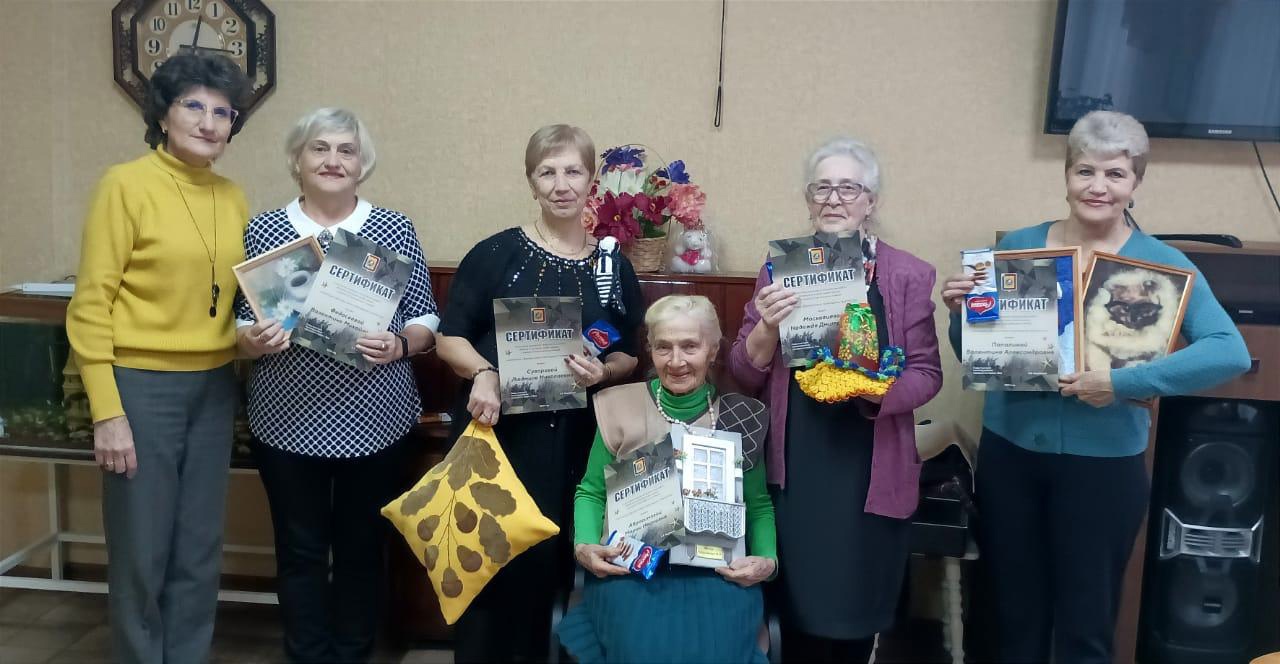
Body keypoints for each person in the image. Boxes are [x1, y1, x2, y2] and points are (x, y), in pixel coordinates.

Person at [939, 110, 1251, 663]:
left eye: (1115, 174)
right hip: (1011, 458)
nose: (1098, 186)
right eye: (1085, 171)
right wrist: (961, 314)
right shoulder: (1020, 246)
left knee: (1086, 626)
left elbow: (1229, 350)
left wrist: (1122, 381)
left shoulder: (1161, 264)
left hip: (1103, 469)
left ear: (1136, 183)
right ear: (1066, 175)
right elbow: (978, 356)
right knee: (1010, 619)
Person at [232, 107, 439, 662]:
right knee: (298, 553)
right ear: (297, 160)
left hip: (375, 419)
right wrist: (253, 339)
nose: (332, 160)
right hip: (286, 419)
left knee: (361, 551)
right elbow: (240, 321)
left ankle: (351, 653)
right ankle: (306, 654)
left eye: (346, 150)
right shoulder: (265, 230)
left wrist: (401, 344)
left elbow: (425, 316)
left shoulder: (392, 228)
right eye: (319, 148)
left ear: (361, 164)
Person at [65, 52, 251, 664]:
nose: (208, 122)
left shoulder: (232, 196)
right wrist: (107, 412)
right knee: (141, 551)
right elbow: (91, 304)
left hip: (214, 386)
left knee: (199, 548)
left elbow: (238, 297)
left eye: (222, 112)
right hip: (140, 388)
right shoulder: (125, 185)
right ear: (163, 115)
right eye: (193, 106)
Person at [436, 124, 645, 662]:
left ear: (592, 180)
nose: (561, 184)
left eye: (573, 171)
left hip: (573, 445)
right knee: (485, 574)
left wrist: (603, 372)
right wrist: (483, 372)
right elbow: (449, 337)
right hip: (496, 441)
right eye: (547, 172)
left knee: (548, 576)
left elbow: (629, 352)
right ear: (531, 181)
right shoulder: (497, 253)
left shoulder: (611, 266)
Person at [728, 138, 943, 663]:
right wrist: (767, 329)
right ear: (808, 199)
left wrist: (873, 391)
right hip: (798, 464)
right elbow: (742, 371)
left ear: (871, 200)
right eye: (821, 188)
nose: (834, 199)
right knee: (795, 620)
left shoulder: (908, 274)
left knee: (852, 621)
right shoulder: (779, 267)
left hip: (869, 465)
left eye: (848, 188)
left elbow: (927, 373)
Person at [559, 294, 777, 663]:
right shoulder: (617, 406)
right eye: (663, 347)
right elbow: (591, 492)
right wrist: (585, 547)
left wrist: (767, 561)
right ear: (651, 350)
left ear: (712, 350)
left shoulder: (743, 417)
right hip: (630, 572)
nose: (676, 361)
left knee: (716, 649)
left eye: (690, 346)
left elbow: (758, 506)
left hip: (717, 575)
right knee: (641, 650)